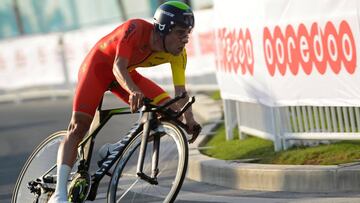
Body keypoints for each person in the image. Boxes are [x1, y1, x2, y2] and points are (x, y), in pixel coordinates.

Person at [49, 1, 201, 203]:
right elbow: (117, 67)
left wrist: (189, 119)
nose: (185, 39)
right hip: (99, 68)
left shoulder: (178, 54)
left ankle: (115, 150)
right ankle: (59, 194)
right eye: (181, 32)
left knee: (165, 112)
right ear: (164, 27)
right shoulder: (136, 28)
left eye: (188, 33)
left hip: (126, 74)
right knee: (78, 128)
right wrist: (133, 90)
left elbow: (180, 94)